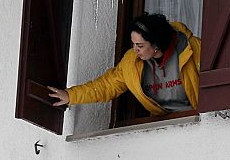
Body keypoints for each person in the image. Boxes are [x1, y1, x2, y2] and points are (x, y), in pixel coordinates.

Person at [48, 13, 201, 116]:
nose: (135, 50)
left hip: (199, 122)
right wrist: (70, 96)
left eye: (140, 46)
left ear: (156, 45)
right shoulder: (131, 62)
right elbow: (106, 86)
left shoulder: (192, 49)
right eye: (133, 44)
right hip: (165, 128)